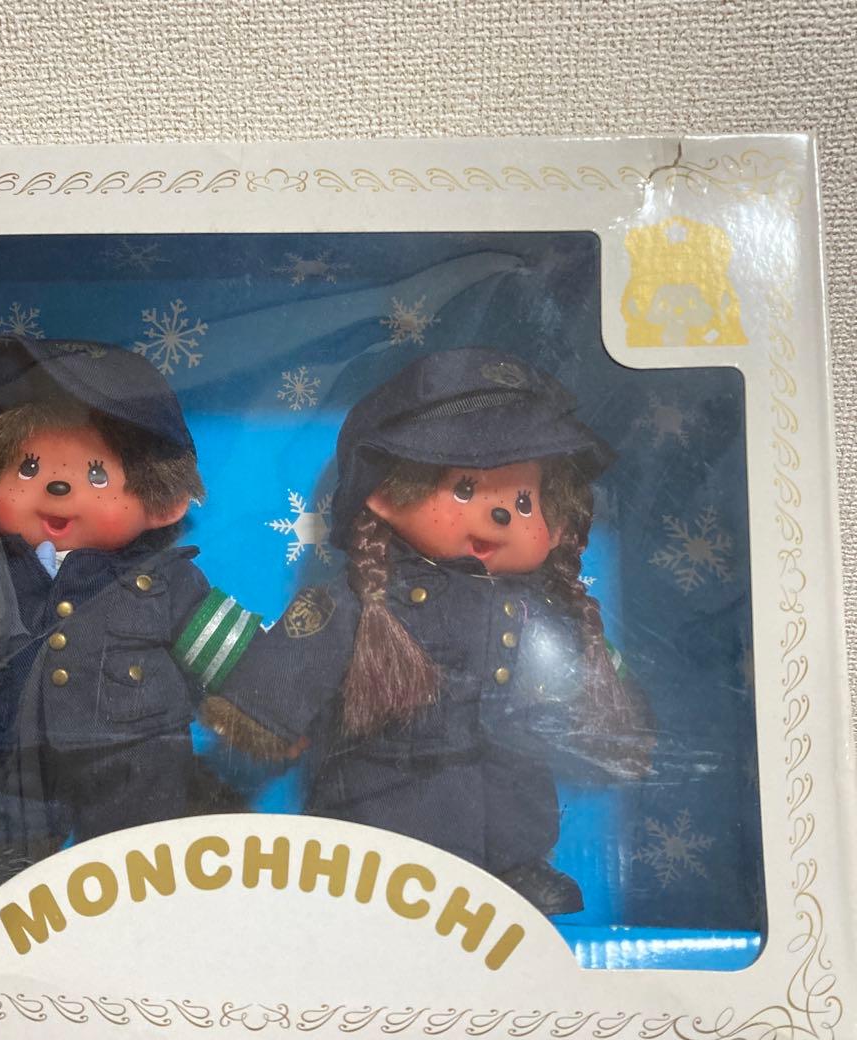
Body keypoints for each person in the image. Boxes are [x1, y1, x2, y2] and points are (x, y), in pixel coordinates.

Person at [200, 348, 654, 915]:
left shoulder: (542, 610)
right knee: (398, 835)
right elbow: (303, 653)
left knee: (514, 799)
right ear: (389, 495)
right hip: (391, 806)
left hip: (508, 791)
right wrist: (265, 719)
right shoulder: (370, 600)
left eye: (523, 501)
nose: (501, 516)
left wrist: (615, 717)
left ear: (556, 523)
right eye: (464, 489)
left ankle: (515, 868)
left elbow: (586, 676)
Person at [0, 335, 260, 898]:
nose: (57, 487)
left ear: (160, 502)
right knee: (10, 888)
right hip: (7, 766)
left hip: (135, 758)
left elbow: (229, 650)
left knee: (147, 867)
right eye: (27, 467)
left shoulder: (164, 584)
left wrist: (273, 709)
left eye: (98, 475)